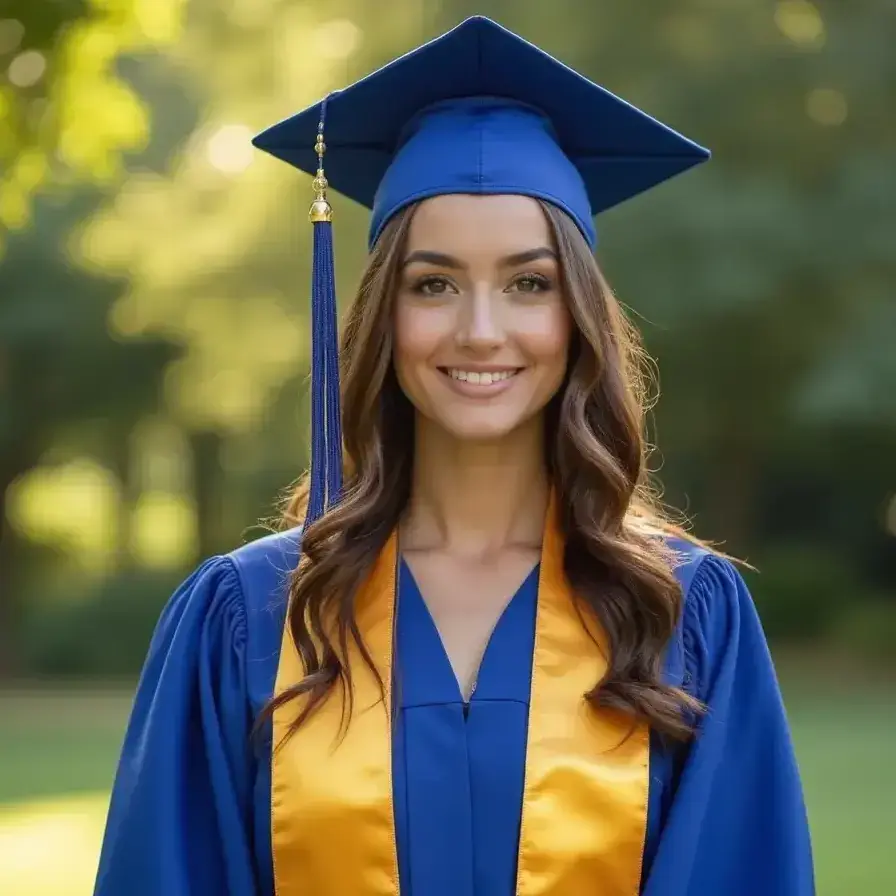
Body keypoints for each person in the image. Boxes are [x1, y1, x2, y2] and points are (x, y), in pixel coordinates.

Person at [93, 16, 814, 896]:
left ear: (577, 313)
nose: (480, 330)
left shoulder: (681, 616)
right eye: (432, 283)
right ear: (379, 319)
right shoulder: (249, 618)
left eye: (528, 283)